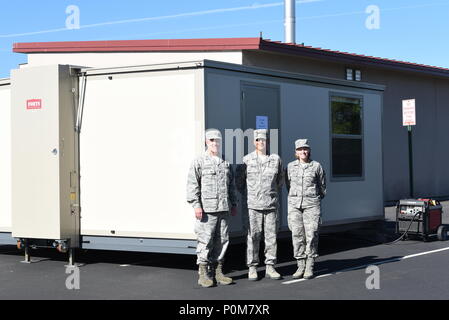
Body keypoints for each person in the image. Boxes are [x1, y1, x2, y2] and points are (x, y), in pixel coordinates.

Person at [186, 129, 238, 288]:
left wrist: (234, 203)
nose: (215, 143)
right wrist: (196, 205)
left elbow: (231, 185)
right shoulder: (199, 161)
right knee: (205, 240)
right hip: (207, 210)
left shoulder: (225, 162)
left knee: (222, 240)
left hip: (223, 208)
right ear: (206, 142)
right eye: (212, 140)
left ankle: (218, 272)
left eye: (217, 140)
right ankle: (203, 274)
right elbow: (192, 185)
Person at [236, 129, 283, 281]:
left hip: (271, 206)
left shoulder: (275, 159)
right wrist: (252, 195)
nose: (261, 142)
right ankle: (253, 267)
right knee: (253, 237)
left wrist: (270, 194)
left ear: (268, 141)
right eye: (258, 140)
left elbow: (280, 181)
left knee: (271, 237)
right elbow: (239, 183)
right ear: (254, 142)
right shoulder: (246, 160)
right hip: (253, 206)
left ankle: (270, 266)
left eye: (263, 140)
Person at [285, 139, 326, 279]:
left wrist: (313, 199)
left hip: (312, 206)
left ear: (309, 151)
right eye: (300, 149)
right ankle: (300, 265)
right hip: (294, 206)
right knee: (297, 235)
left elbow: (322, 187)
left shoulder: (316, 166)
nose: (303, 151)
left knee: (312, 234)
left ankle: (310, 266)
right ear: (296, 152)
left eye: (305, 149)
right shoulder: (290, 167)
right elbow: (288, 185)